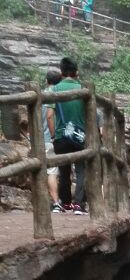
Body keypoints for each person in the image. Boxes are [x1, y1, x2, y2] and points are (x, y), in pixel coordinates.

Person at [49, 57, 87, 213]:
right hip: (79, 136)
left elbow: (50, 115)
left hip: (61, 136)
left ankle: (65, 203)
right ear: (76, 72)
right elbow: (89, 115)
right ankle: (79, 204)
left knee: (64, 171)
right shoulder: (83, 89)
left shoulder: (55, 90)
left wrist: (53, 136)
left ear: (62, 71)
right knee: (80, 170)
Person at [41, 69, 63, 213]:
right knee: (52, 172)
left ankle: (46, 202)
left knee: (42, 170)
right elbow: (50, 117)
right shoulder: (58, 95)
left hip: (39, 138)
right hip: (51, 139)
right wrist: (54, 135)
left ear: (46, 80)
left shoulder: (39, 95)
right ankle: (56, 202)